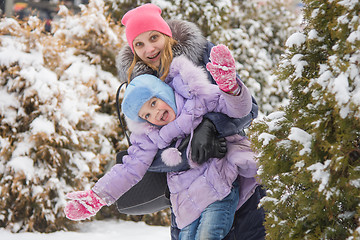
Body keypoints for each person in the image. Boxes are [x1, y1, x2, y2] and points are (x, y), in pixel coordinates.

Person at [64, 47, 259, 239]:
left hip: (219, 187)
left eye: (154, 103)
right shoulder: (150, 135)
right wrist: (97, 197)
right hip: (186, 202)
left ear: (163, 91)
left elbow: (239, 110)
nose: (155, 114)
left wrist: (230, 88)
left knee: (208, 234)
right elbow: (129, 168)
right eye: (146, 115)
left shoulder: (198, 97)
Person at [115, 4, 265, 240]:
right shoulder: (138, 85)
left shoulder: (203, 55)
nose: (149, 49)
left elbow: (248, 108)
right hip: (188, 200)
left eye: (154, 37)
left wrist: (211, 125)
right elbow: (145, 150)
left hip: (237, 185)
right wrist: (188, 154)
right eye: (139, 44)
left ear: (165, 34)